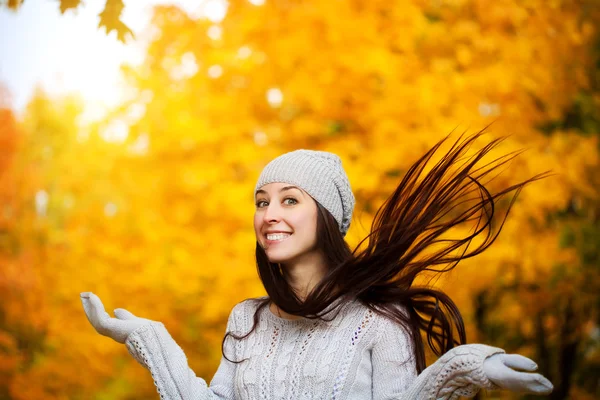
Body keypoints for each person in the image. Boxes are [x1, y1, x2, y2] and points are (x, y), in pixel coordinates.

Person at [81, 130, 554, 399]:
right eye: (262, 202)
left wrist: (470, 368)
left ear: (324, 218)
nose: (270, 215)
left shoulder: (377, 322)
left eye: (289, 200)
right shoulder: (248, 319)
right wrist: (147, 336)